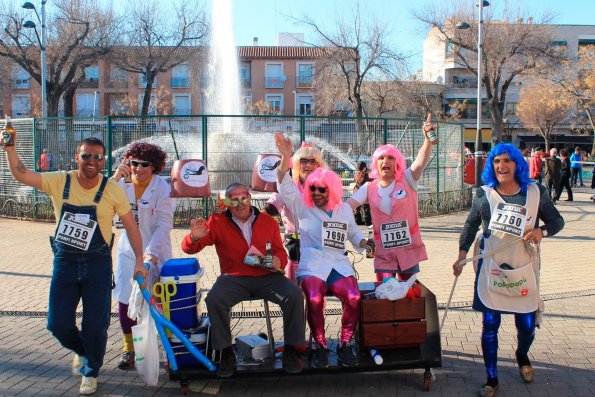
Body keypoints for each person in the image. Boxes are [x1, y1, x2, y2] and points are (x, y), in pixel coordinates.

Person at [1, 136, 145, 395]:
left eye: (98, 157)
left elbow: (132, 228)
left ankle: (90, 372)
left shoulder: (112, 189)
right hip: (65, 262)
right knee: (56, 323)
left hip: (97, 264)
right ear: (76, 158)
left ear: (103, 160)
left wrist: (140, 262)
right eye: (86, 156)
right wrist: (10, 150)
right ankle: (82, 350)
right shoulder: (59, 180)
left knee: (96, 325)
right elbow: (22, 174)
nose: (92, 161)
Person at [452, 143, 564, 397]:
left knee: (526, 326)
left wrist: (541, 231)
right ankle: (492, 378)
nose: (501, 166)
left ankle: (522, 354)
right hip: (490, 269)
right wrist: (460, 256)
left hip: (523, 269)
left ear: (517, 164)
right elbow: (470, 226)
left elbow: (557, 221)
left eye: (507, 161)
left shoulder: (535, 192)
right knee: (490, 324)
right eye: (496, 161)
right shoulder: (483, 195)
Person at [181, 183, 305, 378]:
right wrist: (193, 238)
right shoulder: (217, 221)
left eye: (243, 198)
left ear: (249, 198)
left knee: (294, 294)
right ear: (227, 203)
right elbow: (190, 249)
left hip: (267, 277)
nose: (239, 204)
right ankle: (225, 352)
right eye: (233, 199)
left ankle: (292, 350)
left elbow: (280, 251)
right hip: (234, 278)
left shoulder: (268, 222)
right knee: (214, 299)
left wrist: (277, 260)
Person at [275, 133, 369, 368]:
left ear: (332, 190)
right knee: (315, 298)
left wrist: (365, 243)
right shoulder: (301, 206)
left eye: (322, 190)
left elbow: (354, 235)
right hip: (313, 267)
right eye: (313, 189)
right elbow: (283, 183)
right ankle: (319, 344)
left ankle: (346, 342)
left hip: (338, 264)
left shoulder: (343, 209)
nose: (316, 193)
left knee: (355, 296)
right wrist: (286, 155)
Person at [347, 113, 437, 282]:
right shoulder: (369, 187)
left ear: (397, 163)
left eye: (390, 158)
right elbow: (346, 206)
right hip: (383, 253)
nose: (385, 161)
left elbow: (421, 161)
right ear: (376, 164)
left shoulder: (408, 179)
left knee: (409, 296)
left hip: (408, 251)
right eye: (381, 158)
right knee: (385, 295)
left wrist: (427, 140)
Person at [111, 142, 176, 370]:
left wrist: (150, 256)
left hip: (156, 252)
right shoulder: (119, 185)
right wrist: (116, 177)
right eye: (134, 163)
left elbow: (164, 225)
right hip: (128, 251)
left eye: (144, 164)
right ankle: (129, 347)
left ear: (154, 166)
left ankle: (169, 347)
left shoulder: (163, 188)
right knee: (125, 296)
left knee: (161, 300)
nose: (138, 168)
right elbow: (100, 206)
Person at [263, 142, 324, 282]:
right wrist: (261, 214)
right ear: (297, 164)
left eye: (312, 161)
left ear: (318, 165)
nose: (308, 165)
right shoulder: (290, 184)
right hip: (294, 244)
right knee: (292, 283)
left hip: (318, 245)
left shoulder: (324, 186)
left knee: (315, 288)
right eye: (304, 161)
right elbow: (276, 200)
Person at [352, 161, 372, 226]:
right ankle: (368, 222)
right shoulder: (367, 175)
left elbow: (355, 180)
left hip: (356, 191)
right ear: (364, 167)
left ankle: (357, 221)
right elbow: (372, 180)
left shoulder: (356, 174)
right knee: (366, 208)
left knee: (357, 208)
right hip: (364, 192)